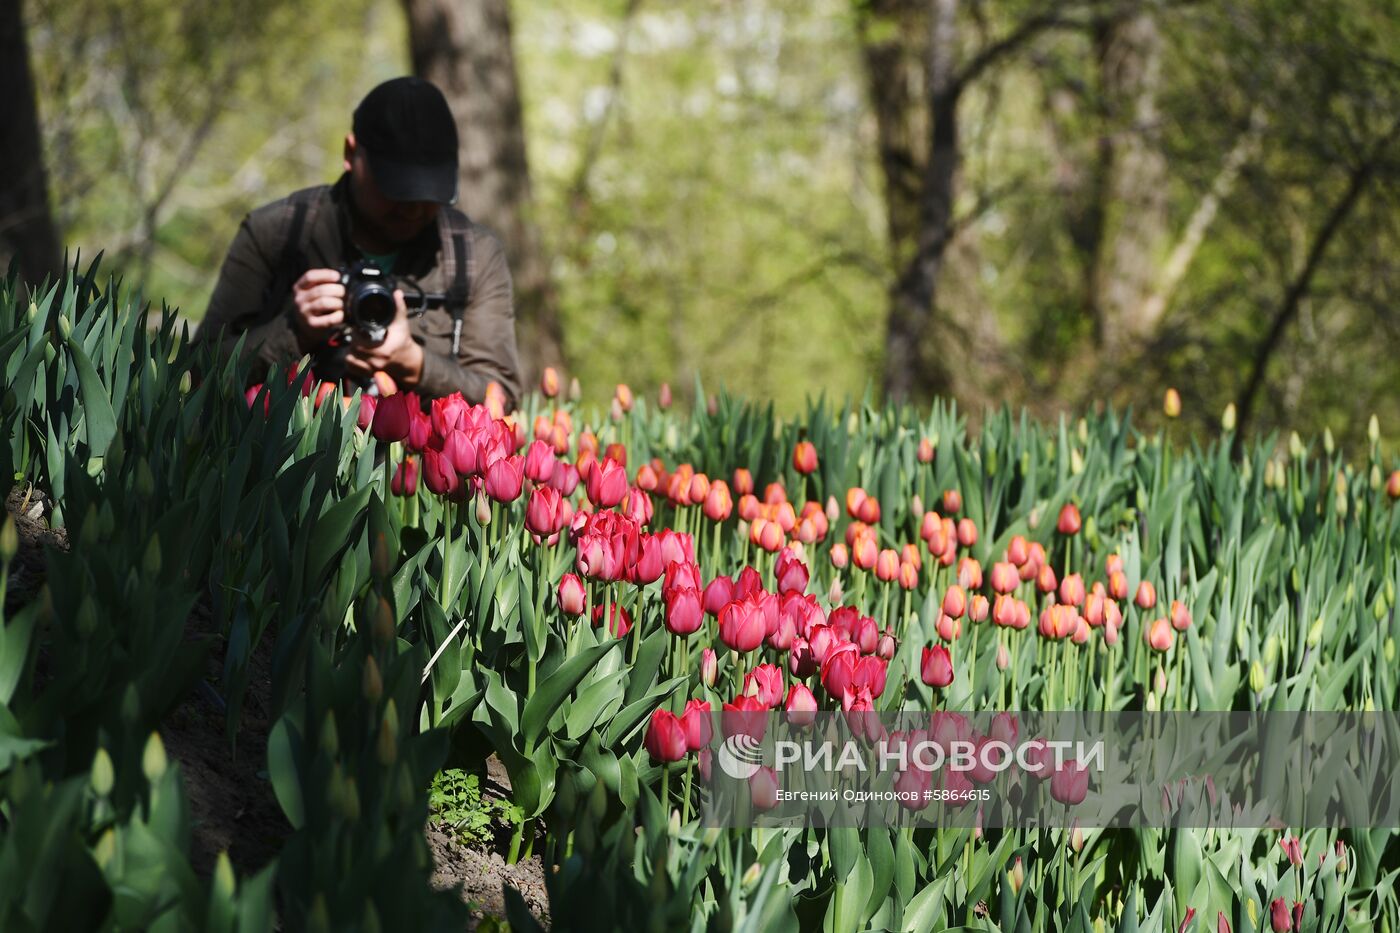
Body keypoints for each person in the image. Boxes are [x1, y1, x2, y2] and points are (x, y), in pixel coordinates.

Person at [196, 76, 522, 409]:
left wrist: (416, 364)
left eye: (430, 193)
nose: (412, 209)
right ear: (351, 153)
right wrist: (293, 331)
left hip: (414, 459)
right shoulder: (275, 234)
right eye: (396, 189)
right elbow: (200, 373)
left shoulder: (474, 257)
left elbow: (502, 397)